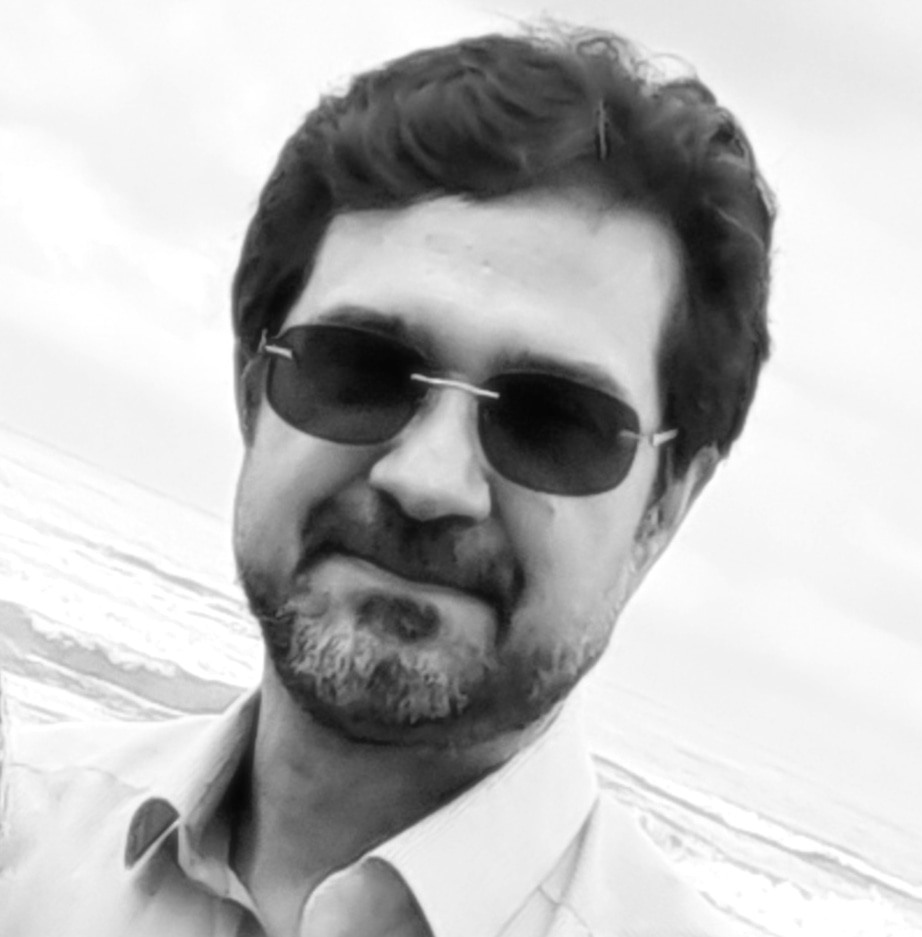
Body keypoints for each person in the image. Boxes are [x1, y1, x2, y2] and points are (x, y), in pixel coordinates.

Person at [0, 22, 773, 937]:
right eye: (359, 369)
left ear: (662, 510)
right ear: (255, 393)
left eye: (552, 422)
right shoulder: (22, 841)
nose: (428, 480)